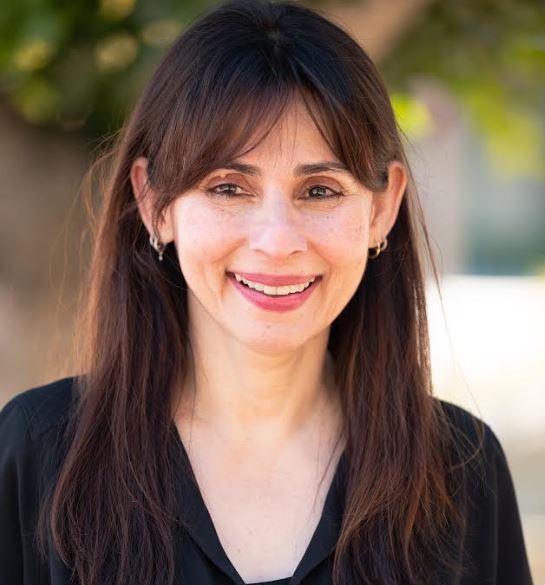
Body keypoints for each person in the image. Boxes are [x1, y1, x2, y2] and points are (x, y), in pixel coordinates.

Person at [0, 0, 534, 584]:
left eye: (321, 191)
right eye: (229, 187)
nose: (277, 241)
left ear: (382, 208)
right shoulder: (40, 452)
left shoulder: (461, 470)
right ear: (154, 203)